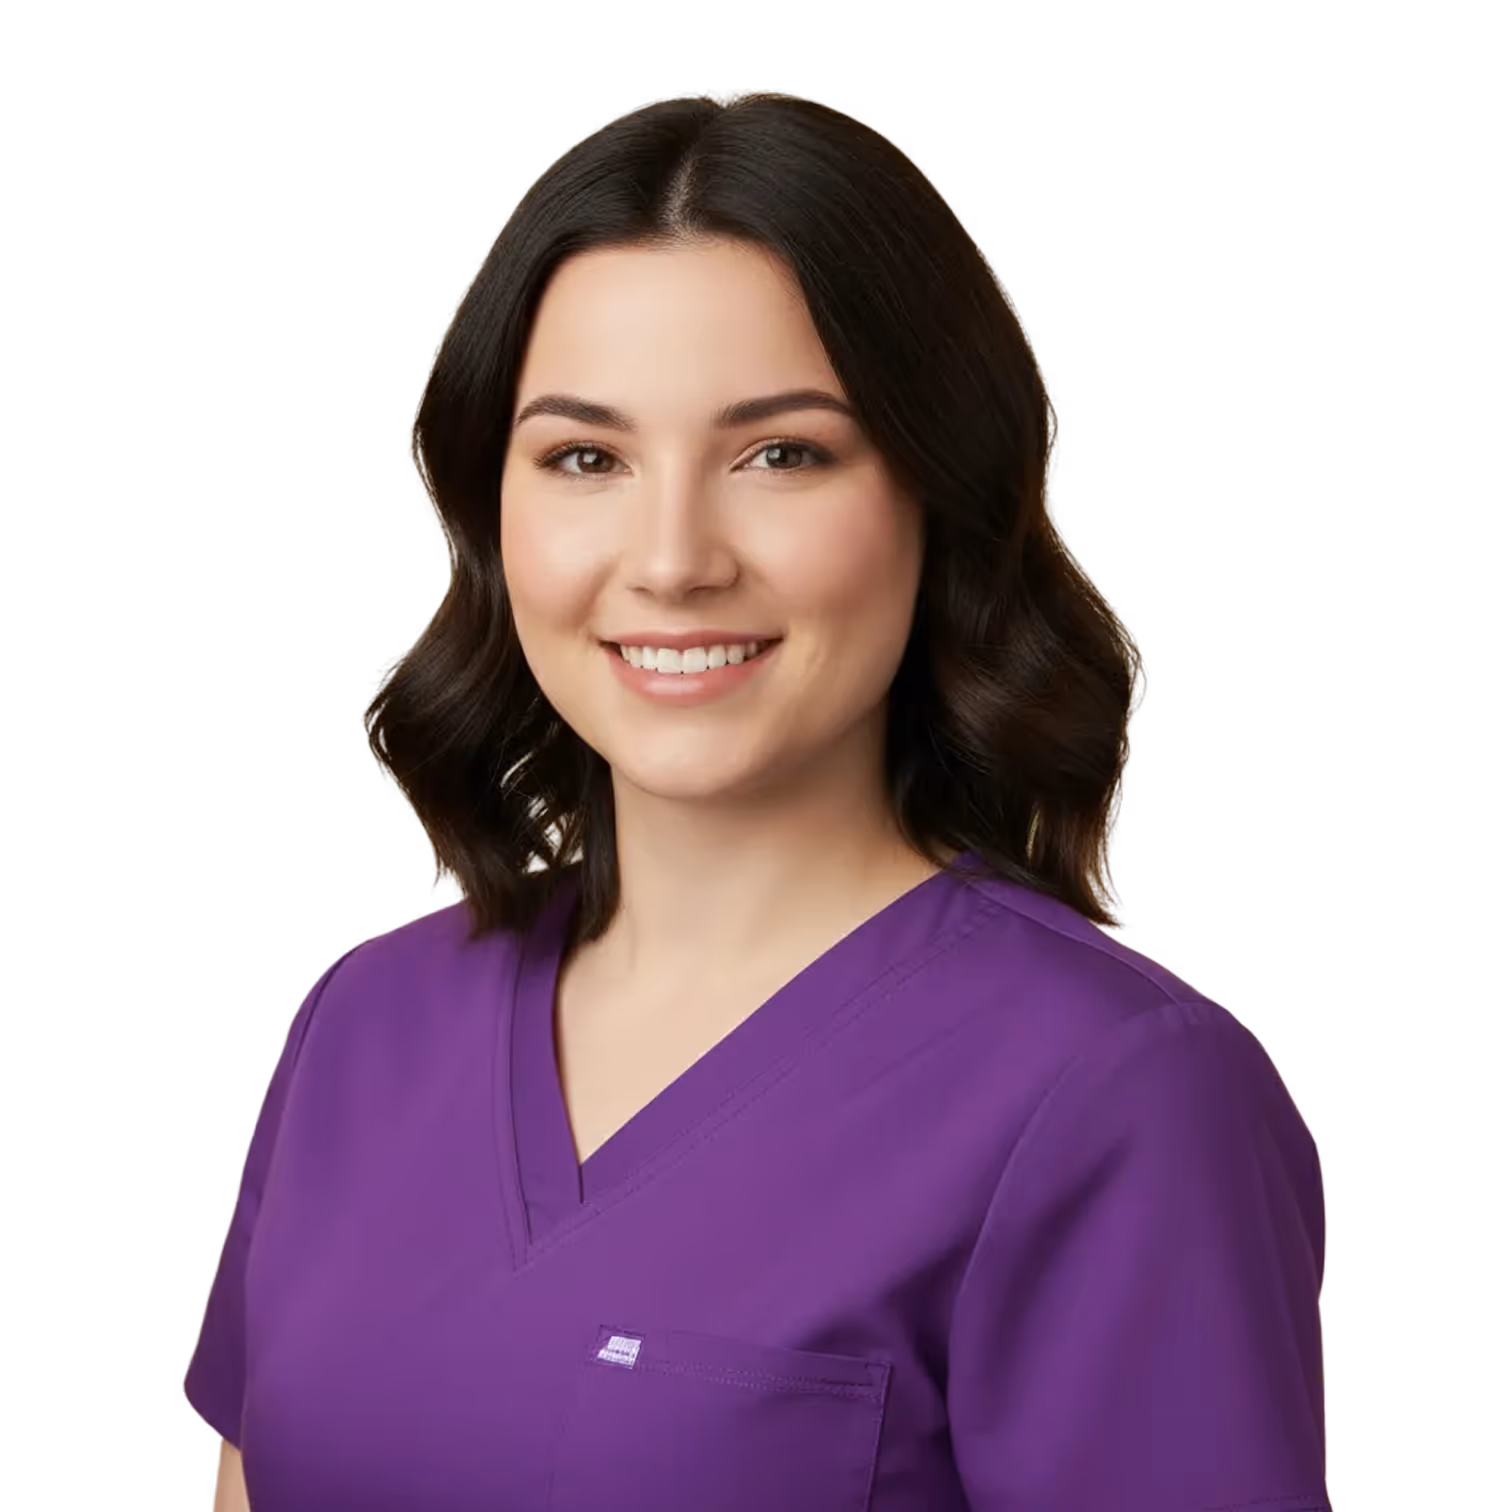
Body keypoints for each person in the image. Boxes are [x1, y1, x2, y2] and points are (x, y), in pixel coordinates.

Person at [184, 89, 1328, 1510]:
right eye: (586, 458)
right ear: (492, 513)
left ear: (940, 497)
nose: (673, 560)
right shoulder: (364, 1023)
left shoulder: (1121, 1091)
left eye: (783, 453)